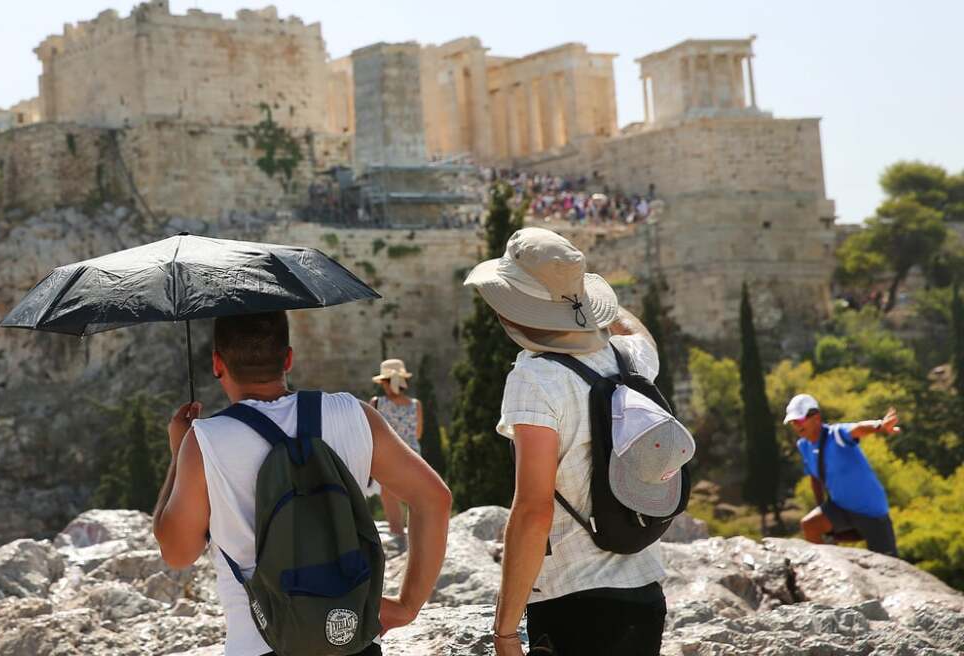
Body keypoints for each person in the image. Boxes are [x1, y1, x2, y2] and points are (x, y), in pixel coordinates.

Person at [152, 312, 452, 656]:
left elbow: (177, 553)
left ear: (217, 363)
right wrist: (407, 605)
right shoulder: (354, 413)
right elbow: (435, 499)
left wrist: (179, 454)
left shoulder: (204, 441)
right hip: (351, 638)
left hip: (262, 644)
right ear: (288, 358)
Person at [465, 227, 679, 656]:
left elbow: (532, 509)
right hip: (644, 592)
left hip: (574, 602)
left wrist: (506, 631)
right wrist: (587, 294)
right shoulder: (627, 359)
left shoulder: (535, 377)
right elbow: (642, 336)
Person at [784, 394, 900, 556]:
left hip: (871, 511)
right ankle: (825, 569)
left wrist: (880, 425)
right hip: (840, 507)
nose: (796, 425)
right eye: (793, 422)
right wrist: (822, 509)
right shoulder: (803, 445)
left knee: (889, 563)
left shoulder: (836, 435)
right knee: (810, 525)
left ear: (816, 417)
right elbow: (815, 479)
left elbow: (858, 428)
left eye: (800, 420)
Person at [370, 359, 424, 548]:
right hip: (413, 456)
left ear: (386, 382)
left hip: (389, 455)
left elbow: (371, 431)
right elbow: (418, 433)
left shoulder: (376, 403)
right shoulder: (415, 404)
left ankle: (398, 536)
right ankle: (417, 536)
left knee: (389, 496)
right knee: (413, 497)